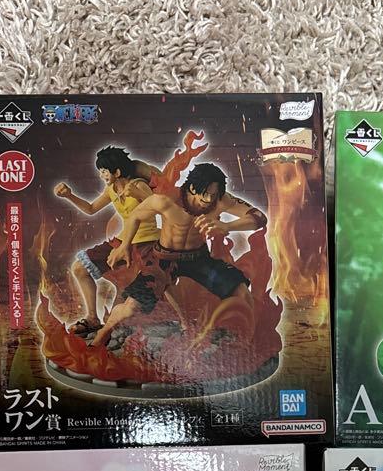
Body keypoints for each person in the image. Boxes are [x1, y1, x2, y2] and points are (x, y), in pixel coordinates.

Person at [106, 162, 266, 345]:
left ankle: (247, 343)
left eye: (213, 195)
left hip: (198, 258)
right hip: (164, 257)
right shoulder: (168, 198)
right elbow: (135, 215)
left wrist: (228, 226)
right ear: (192, 188)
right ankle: (102, 335)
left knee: (241, 292)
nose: (209, 199)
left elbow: (259, 217)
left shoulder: (220, 200)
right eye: (205, 194)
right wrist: (124, 246)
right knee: (131, 307)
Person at [53, 146, 162, 345]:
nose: (101, 175)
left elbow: (160, 206)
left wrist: (141, 194)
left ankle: (118, 332)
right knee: (79, 268)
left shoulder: (138, 185)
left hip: (147, 243)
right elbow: (91, 209)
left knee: (127, 295)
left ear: (117, 172)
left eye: (104, 171)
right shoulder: (111, 190)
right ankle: (92, 319)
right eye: (100, 171)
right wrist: (69, 195)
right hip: (121, 241)